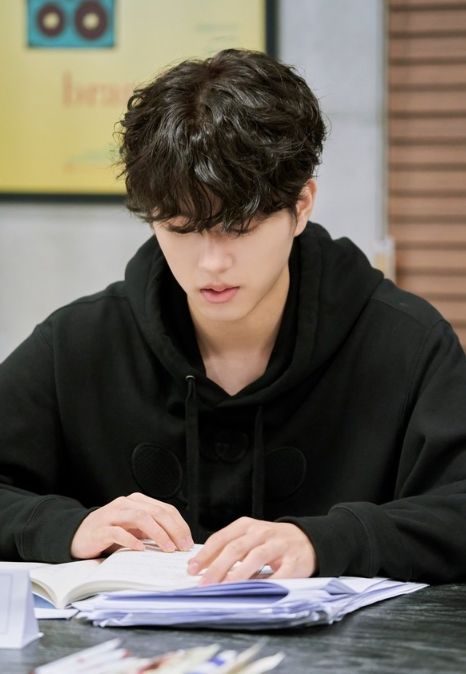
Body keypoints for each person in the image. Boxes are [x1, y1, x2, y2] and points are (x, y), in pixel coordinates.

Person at [1, 49, 465, 585]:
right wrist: (66, 527)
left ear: (302, 205)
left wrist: (329, 540)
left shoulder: (405, 343)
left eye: (239, 229)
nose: (212, 263)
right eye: (181, 228)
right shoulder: (78, 343)